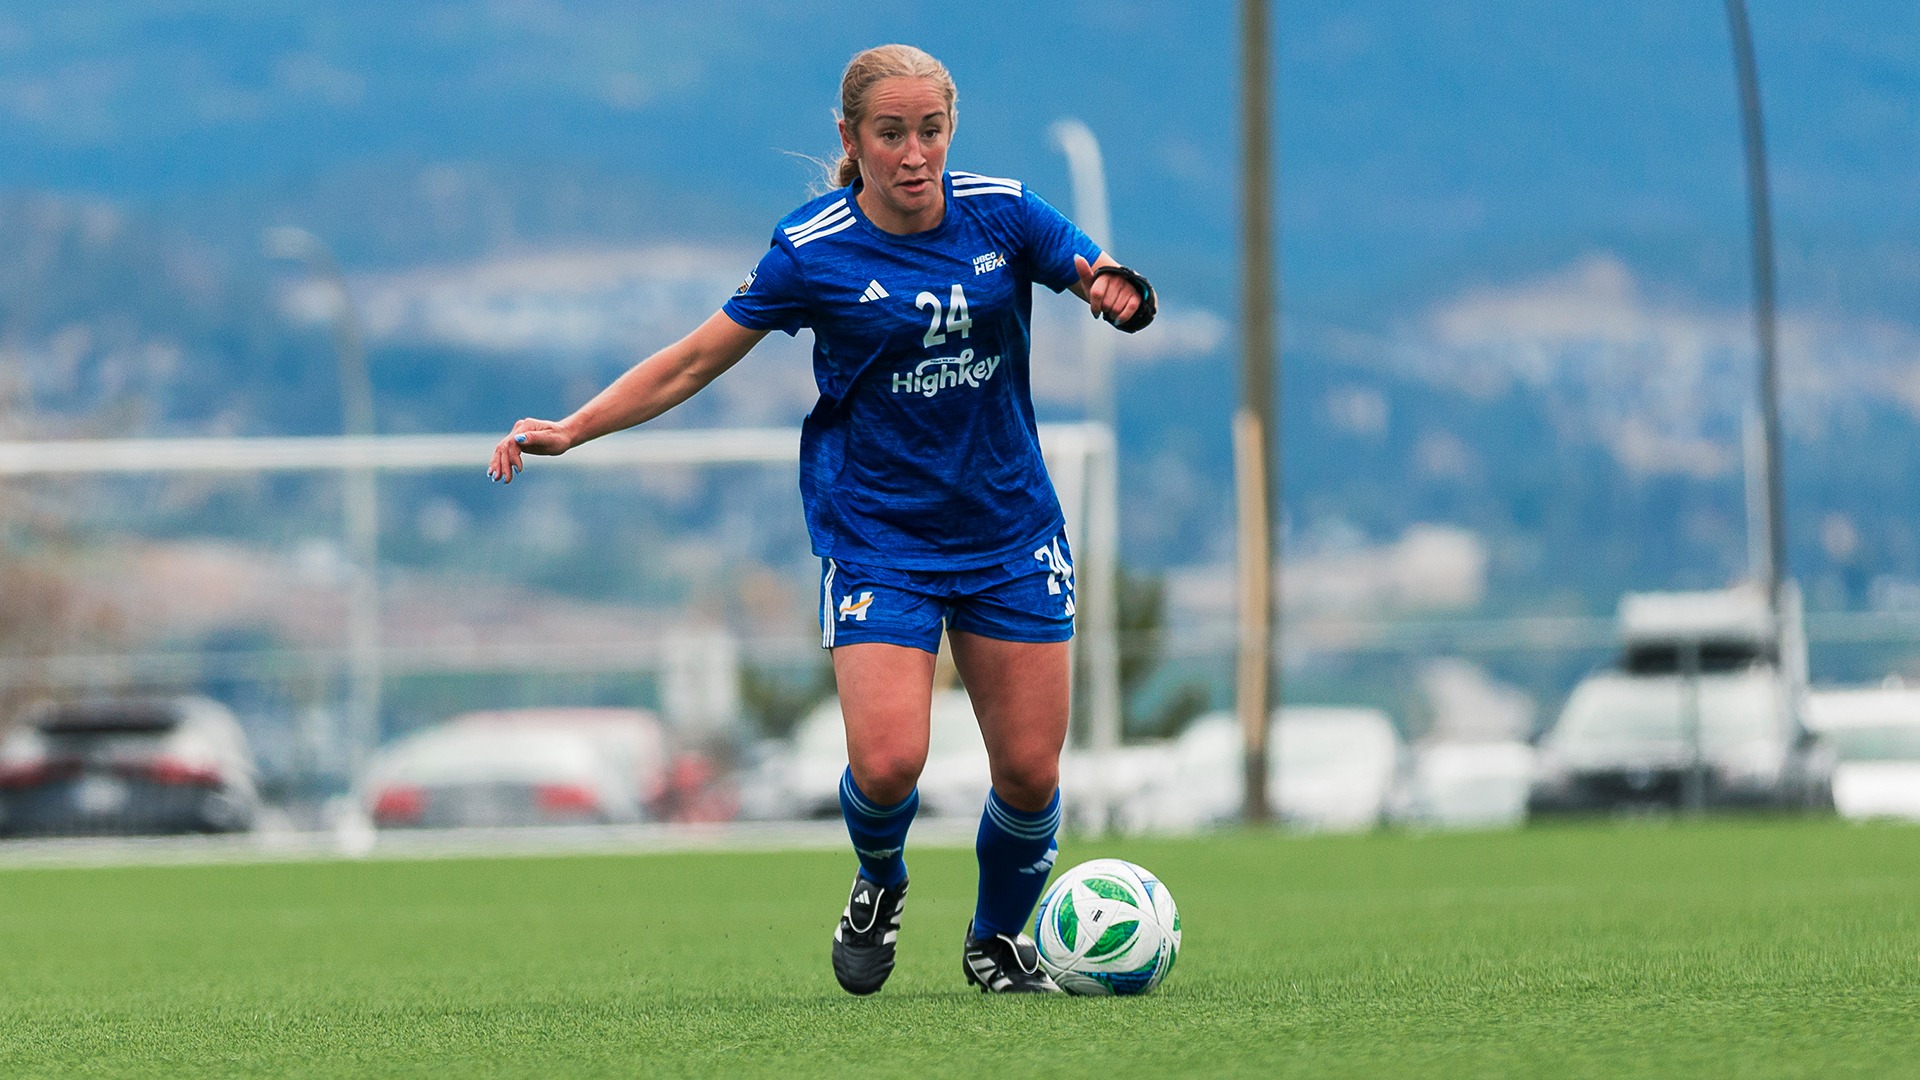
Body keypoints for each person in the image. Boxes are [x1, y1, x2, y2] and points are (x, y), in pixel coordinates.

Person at [489, 43, 1154, 995]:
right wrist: (574, 427)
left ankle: (996, 943)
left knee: (1028, 775)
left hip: (1009, 533)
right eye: (892, 134)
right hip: (881, 539)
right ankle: (880, 880)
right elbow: (693, 359)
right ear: (851, 138)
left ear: (951, 131)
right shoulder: (813, 249)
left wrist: (1118, 292)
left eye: (931, 131)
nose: (914, 154)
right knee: (886, 767)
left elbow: (1094, 269)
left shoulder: (1005, 211)